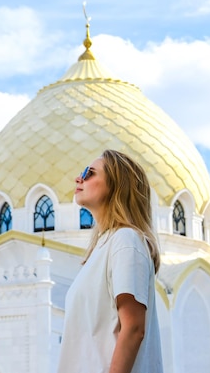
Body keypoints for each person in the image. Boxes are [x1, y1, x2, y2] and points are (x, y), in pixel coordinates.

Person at [57, 150, 163, 373]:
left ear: (117, 186)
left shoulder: (126, 240)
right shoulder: (103, 246)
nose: (79, 178)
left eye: (90, 173)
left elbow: (133, 327)